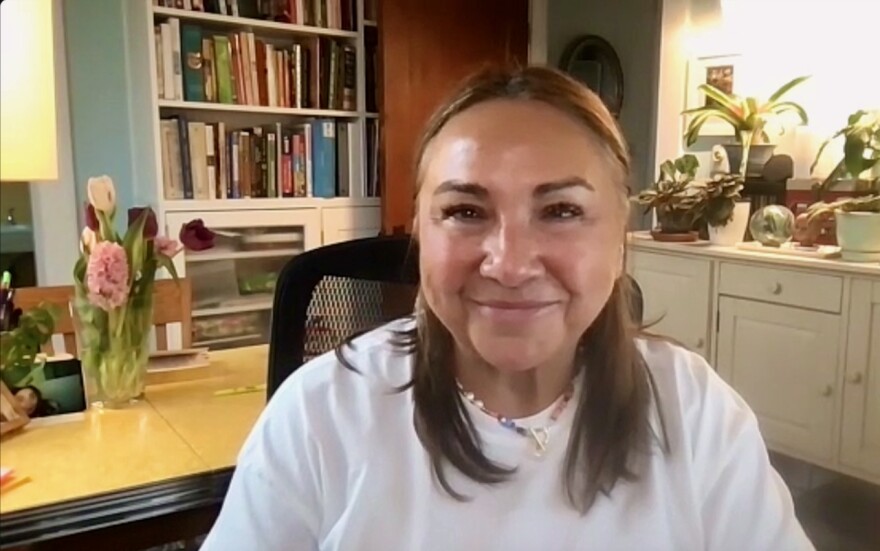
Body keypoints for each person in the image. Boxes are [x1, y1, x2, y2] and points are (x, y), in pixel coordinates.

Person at [201, 66, 814, 550]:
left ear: (619, 236)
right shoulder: (319, 417)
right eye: (466, 212)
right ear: (421, 231)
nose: (511, 264)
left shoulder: (696, 414)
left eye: (562, 211)